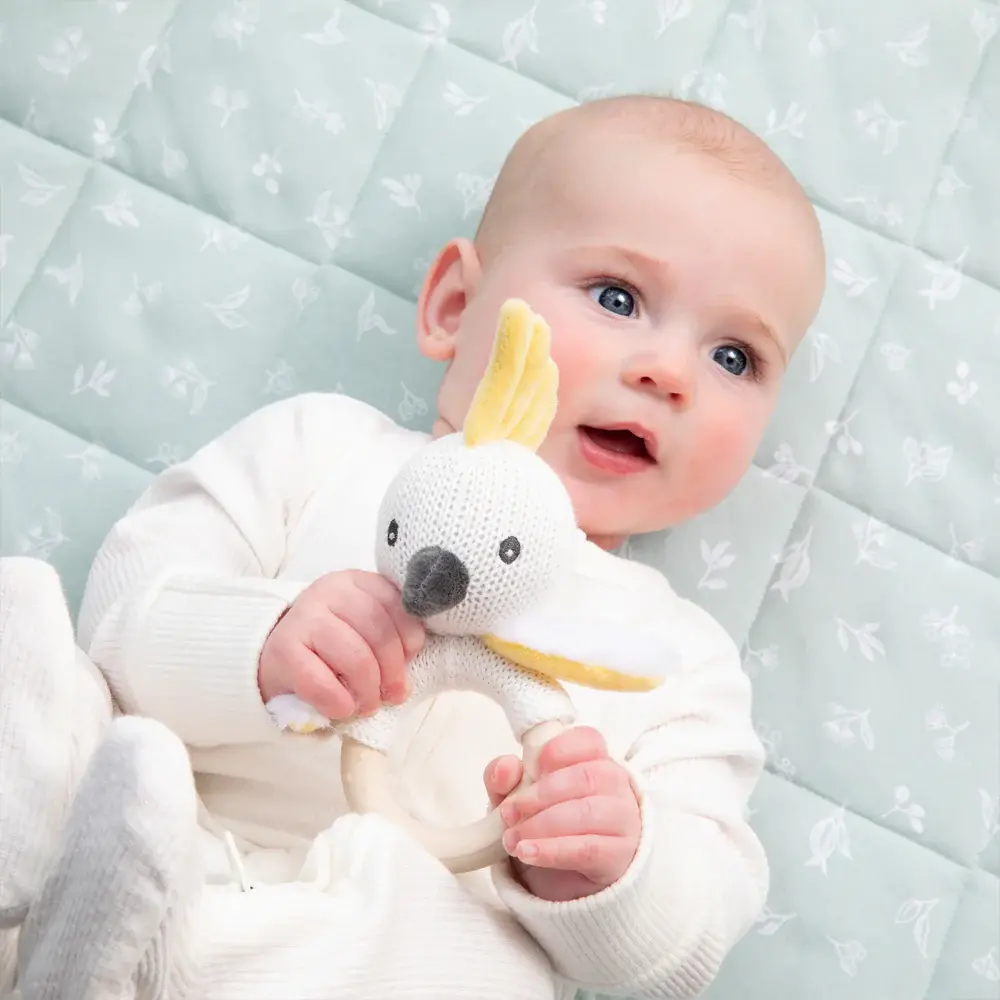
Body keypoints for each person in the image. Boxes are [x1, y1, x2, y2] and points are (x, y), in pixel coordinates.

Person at [0, 94, 826, 1000]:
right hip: (144, 823)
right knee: (28, 632)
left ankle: (134, 955)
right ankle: (42, 870)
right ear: (456, 306)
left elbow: (683, 954)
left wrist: (614, 866)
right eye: (617, 298)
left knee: (462, 945)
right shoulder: (319, 446)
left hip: (338, 967)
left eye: (735, 357)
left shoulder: (679, 663)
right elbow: (121, 615)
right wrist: (262, 644)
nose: (667, 373)